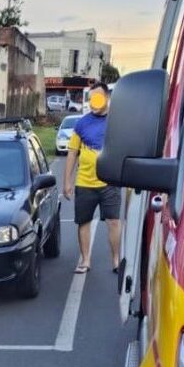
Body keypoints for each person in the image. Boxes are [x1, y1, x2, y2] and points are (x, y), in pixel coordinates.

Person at [63, 81, 122, 274]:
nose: (94, 102)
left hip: (110, 182)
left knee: (113, 221)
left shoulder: (116, 121)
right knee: (84, 222)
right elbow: (72, 152)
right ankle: (85, 261)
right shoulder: (82, 123)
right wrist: (67, 181)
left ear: (107, 98)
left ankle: (115, 261)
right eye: (92, 99)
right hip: (85, 183)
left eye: (98, 98)